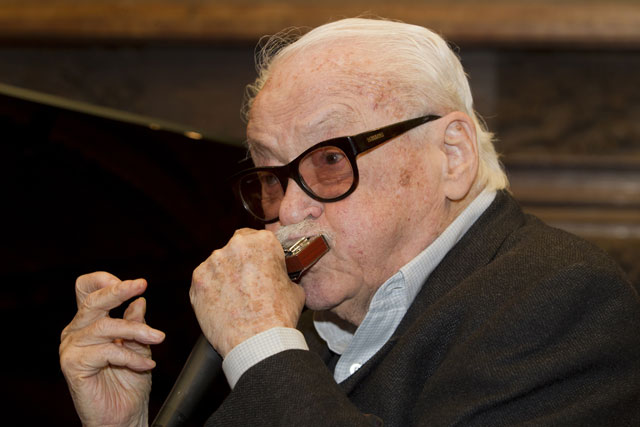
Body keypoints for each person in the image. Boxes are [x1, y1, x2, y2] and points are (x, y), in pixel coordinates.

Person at [59, 18, 640, 426]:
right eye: (271, 175)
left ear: (453, 156)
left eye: (330, 160)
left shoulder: (561, 300)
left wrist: (261, 342)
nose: (288, 210)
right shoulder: (308, 331)